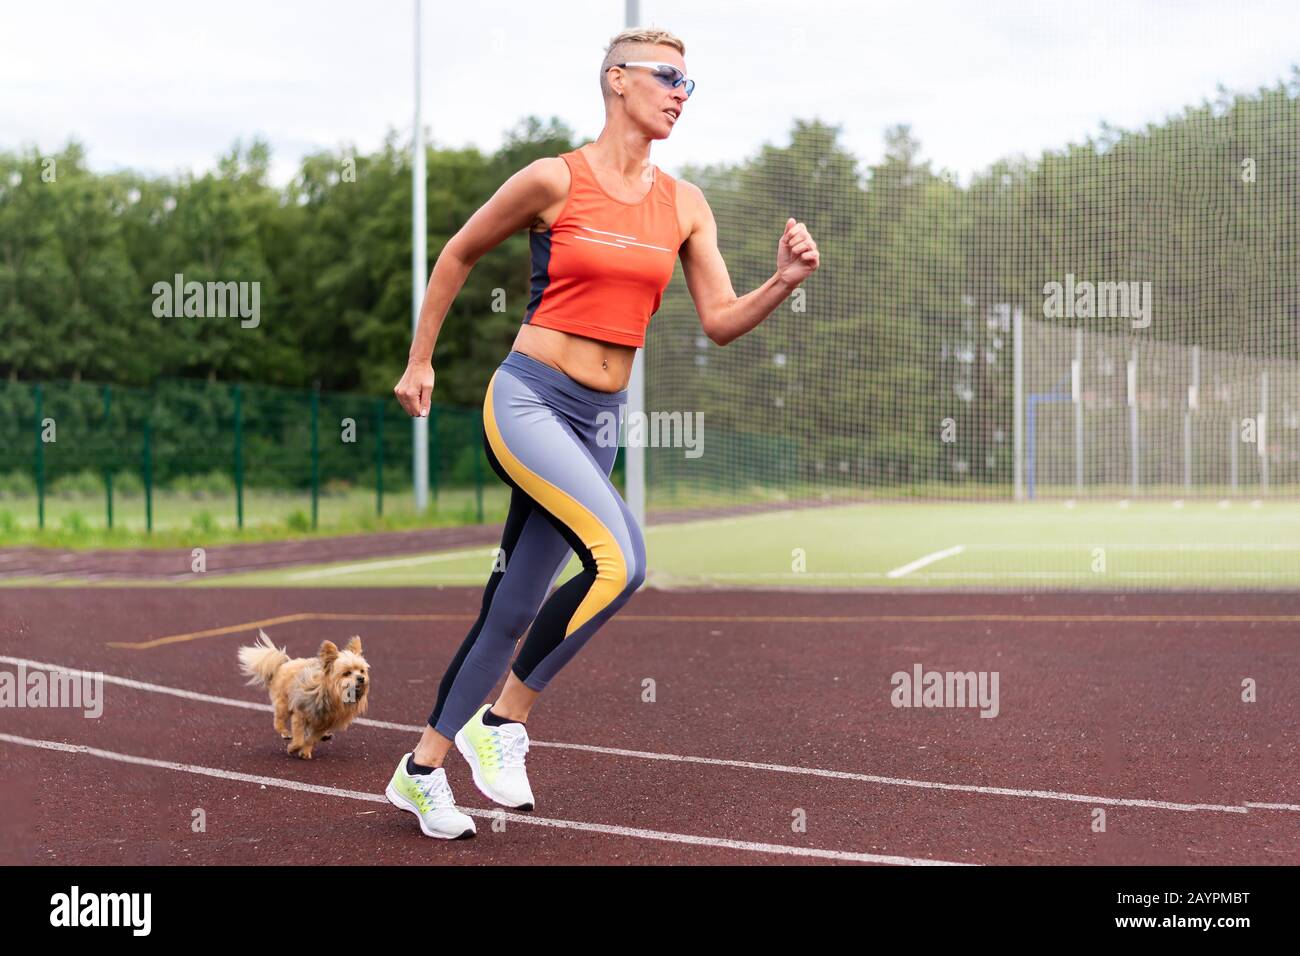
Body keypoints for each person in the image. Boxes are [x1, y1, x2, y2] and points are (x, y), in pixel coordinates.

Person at [385, 27, 819, 839]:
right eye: (667, 76)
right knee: (624, 562)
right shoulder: (554, 179)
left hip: (600, 423)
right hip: (529, 403)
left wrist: (784, 282)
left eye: (691, 83)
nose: (681, 92)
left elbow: (721, 321)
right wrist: (420, 361)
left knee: (514, 606)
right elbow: (457, 253)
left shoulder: (686, 204)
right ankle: (502, 722)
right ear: (617, 80)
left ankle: (420, 770)